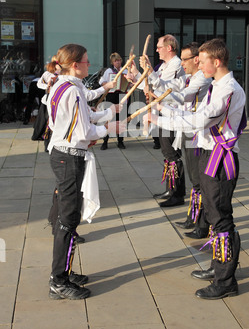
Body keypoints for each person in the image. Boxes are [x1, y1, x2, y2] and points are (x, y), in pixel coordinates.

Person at [145, 38, 246, 299]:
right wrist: (163, 111)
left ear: (217, 61)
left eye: (202, 61)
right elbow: (192, 111)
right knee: (214, 216)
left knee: (222, 218)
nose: (198, 65)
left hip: (220, 158)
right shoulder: (216, 85)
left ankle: (226, 281)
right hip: (209, 154)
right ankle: (219, 266)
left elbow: (201, 119)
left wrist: (161, 118)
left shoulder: (229, 89)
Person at [46, 43, 125, 300]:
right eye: (86, 61)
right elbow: (83, 132)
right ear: (75, 64)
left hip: (63, 154)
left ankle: (65, 272)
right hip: (68, 157)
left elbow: (82, 116)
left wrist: (105, 112)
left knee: (68, 220)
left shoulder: (64, 85)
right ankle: (58, 280)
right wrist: (110, 128)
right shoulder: (72, 90)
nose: (89, 65)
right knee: (67, 221)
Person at [138, 34, 186, 207]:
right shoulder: (164, 65)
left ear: (169, 48)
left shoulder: (177, 65)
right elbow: (152, 83)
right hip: (161, 113)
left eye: (159, 47)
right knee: (167, 153)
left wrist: (150, 71)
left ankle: (177, 193)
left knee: (172, 154)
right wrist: (137, 75)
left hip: (171, 114)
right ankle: (170, 189)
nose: (157, 50)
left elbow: (167, 88)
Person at [99, 52, 130, 150]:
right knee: (109, 117)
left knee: (121, 118)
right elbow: (101, 81)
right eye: (116, 61)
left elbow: (129, 83)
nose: (118, 62)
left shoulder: (124, 71)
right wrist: (107, 84)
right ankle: (105, 141)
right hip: (111, 95)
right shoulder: (109, 71)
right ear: (112, 62)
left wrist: (129, 84)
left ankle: (120, 141)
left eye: (119, 60)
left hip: (121, 95)